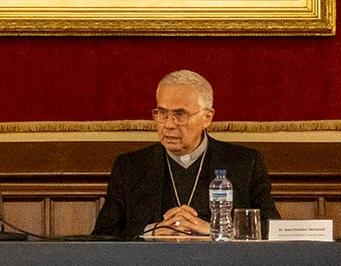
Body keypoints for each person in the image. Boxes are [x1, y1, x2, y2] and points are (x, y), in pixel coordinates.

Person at [94, 70, 278, 238]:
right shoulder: (130, 167)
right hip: (152, 262)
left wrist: (217, 230)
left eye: (180, 114)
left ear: (207, 118)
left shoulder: (244, 163)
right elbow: (103, 235)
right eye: (162, 113)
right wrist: (150, 232)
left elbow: (272, 229)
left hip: (220, 262)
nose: (168, 124)